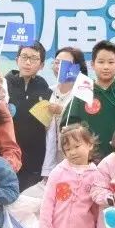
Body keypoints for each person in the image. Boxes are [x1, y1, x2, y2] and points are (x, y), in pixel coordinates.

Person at [60, 40, 115, 162]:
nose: (106, 67)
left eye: (111, 62)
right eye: (101, 62)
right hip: (88, 162)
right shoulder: (84, 91)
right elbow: (68, 124)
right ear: (92, 64)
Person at [5, 41, 52, 191]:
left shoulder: (47, 92)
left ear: (42, 65)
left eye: (34, 58)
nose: (28, 62)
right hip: (7, 157)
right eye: (24, 57)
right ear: (17, 59)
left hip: (35, 161)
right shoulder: (3, 87)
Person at [42, 47, 87, 179]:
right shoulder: (49, 91)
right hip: (51, 155)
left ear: (77, 67)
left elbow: (87, 120)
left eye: (65, 63)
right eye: (56, 62)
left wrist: (62, 111)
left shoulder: (83, 92)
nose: (59, 67)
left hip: (75, 154)